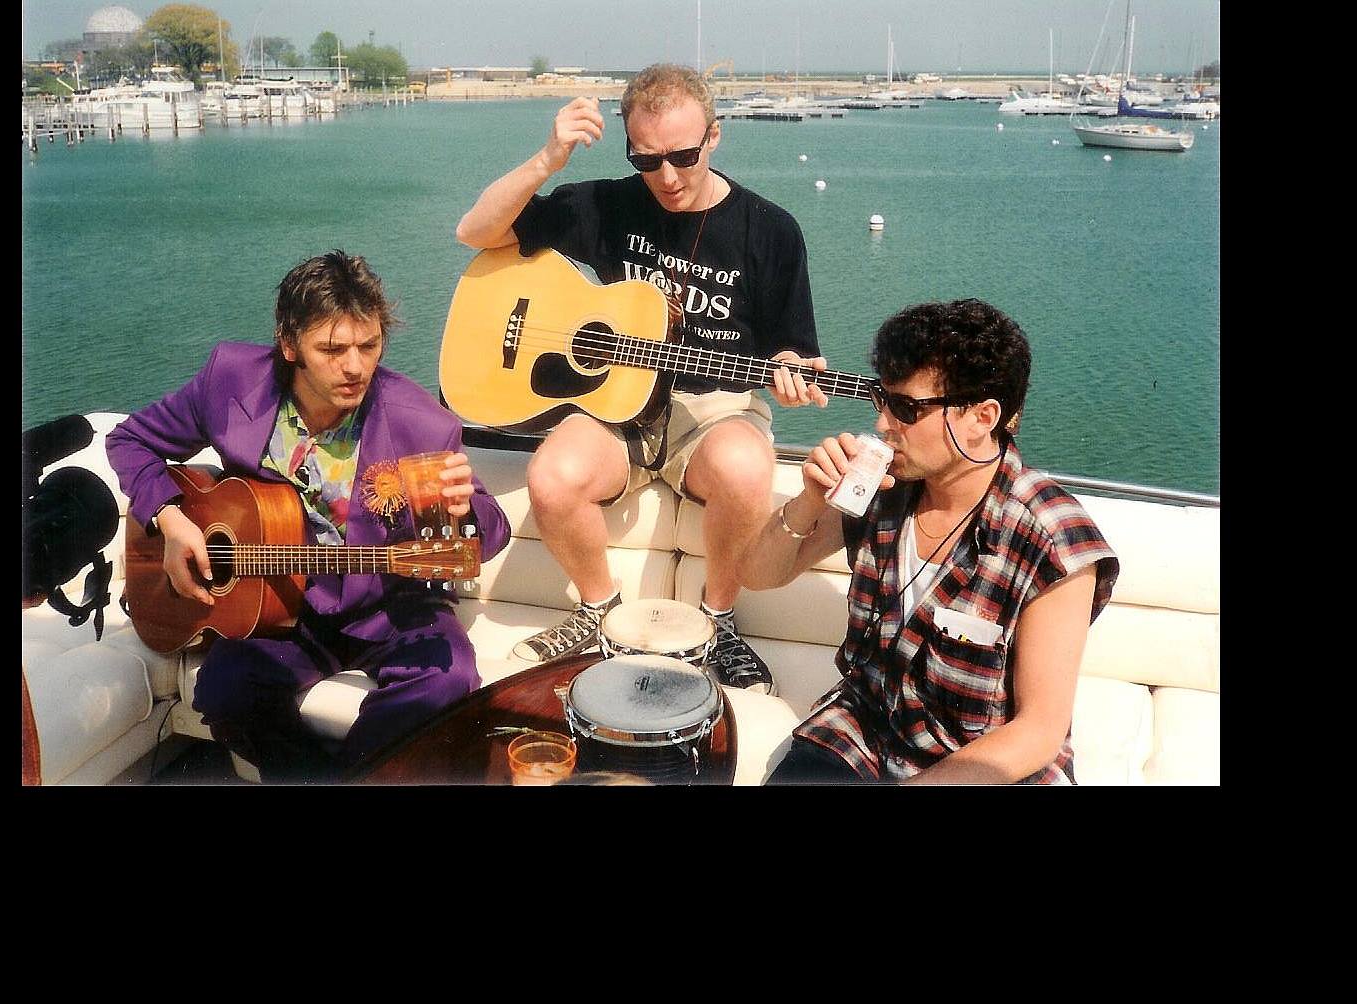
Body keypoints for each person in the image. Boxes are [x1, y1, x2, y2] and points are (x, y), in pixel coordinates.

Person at [455, 63, 826, 695]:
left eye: (683, 156)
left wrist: (793, 372)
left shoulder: (770, 230)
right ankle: (599, 611)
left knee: (745, 467)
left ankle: (718, 620)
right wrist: (549, 158)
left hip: (712, 406)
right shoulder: (609, 204)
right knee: (552, 476)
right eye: (647, 160)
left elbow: (792, 351)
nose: (668, 177)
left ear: (714, 136)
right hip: (614, 401)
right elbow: (475, 232)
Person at [107, 251, 511, 782]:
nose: (355, 367)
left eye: (369, 345)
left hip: (389, 605)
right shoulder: (231, 379)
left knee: (448, 681)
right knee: (224, 688)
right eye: (332, 349)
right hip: (279, 605)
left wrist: (465, 512)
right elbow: (130, 441)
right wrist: (170, 518)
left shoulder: (420, 423)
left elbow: (491, 529)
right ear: (289, 343)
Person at [740, 299, 1119, 784]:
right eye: (882, 399)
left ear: (982, 417)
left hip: (982, 764)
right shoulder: (880, 486)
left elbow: (1038, 730)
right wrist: (809, 501)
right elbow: (758, 575)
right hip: (865, 732)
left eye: (906, 409)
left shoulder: (1051, 536)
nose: (883, 424)